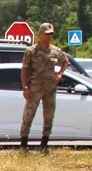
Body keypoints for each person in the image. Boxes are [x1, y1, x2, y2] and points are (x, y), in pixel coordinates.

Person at [20, 22, 69, 154]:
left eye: (51, 34)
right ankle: (24, 145)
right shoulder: (31, 51)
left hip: (50, 88)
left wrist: (60, 74)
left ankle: (44, 144)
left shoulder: (55, 51)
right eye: (47, 34)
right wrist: (25, 87)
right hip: (35, 87)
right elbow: (24, 69)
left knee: (49, 115)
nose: (49, 37)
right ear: (40, 34)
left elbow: (66, 61)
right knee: (28, 115)